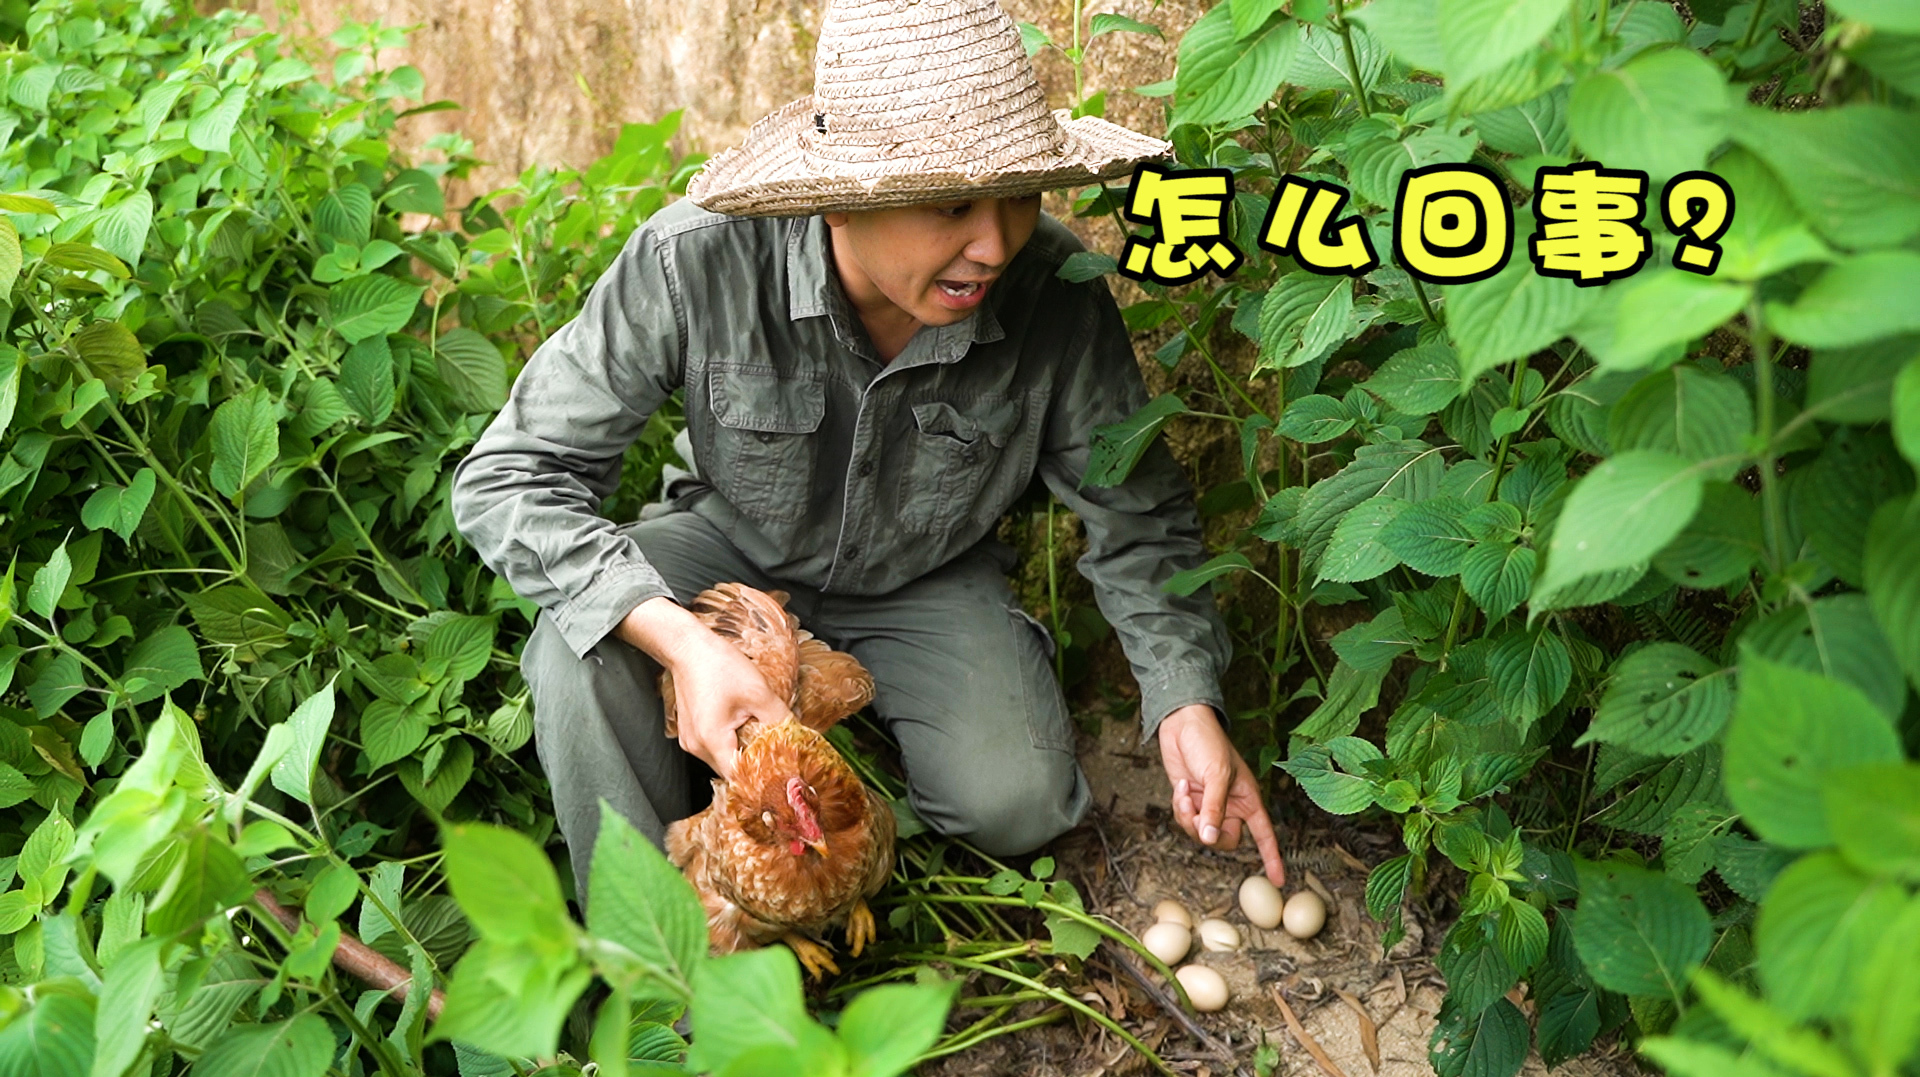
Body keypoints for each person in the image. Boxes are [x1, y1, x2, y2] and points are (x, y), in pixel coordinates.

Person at [450, 0, 1284, 904]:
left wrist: (1184, 701)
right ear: (840, 205)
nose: (996, 241)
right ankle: (660, 963)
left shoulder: (1055, 294)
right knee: (581, 654)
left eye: (1017, 193)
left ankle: (825, 729)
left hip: (926, 576)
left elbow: (1139, 516)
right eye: (952, 204)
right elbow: (509, 477)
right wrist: (681, 641)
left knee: (1019, 803)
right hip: (721, 552)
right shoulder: (695, 262)